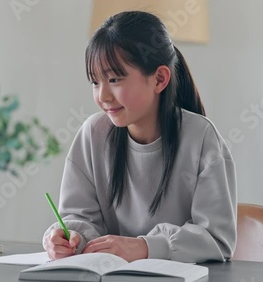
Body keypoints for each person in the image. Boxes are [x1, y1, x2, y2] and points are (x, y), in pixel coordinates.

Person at [43, 11, 237, 263]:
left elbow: (216, 239)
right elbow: (79, 220)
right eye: (94, 82)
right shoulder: (92, 134)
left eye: (114, 79)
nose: (103, 95)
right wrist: (66, 238)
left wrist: (145, 247)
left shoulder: (201, 138)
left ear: (159, 79)